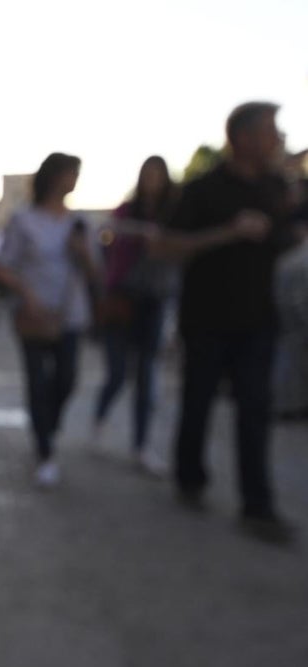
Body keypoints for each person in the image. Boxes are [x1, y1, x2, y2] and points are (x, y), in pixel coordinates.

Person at [157, 102, 303, 543]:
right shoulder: (204, 189)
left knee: (255, 411)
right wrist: (228, 232)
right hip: (206, 318)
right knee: (198, 401)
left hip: (259, 319)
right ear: (241, 137)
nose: (277, 139)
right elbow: (168, 247)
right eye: (269, 130)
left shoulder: (278, 188)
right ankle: (189, 479)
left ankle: (257, 505)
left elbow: (285, 237)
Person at [0, 153, 97, 487]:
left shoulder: (79, 223)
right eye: (71, 173)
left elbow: (97, 272)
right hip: (33, 314)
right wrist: (26, 292)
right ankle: (45, 450)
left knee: (66, 378)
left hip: (69, 315)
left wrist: (82, 252)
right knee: (37, 382)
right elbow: (1, 265)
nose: (74, 180)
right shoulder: (24, 220)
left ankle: (47, 427)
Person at [92, 156, 177, 474]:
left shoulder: (172, 215)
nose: (153, 181)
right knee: (117, 373)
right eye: (148, 175)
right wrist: (140, 232)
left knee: (146, 376)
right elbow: (107, 231)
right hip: (122, 301)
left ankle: (141, 446)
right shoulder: (127, 212)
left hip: (153, 302)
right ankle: (99, 422)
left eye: (158, 175)